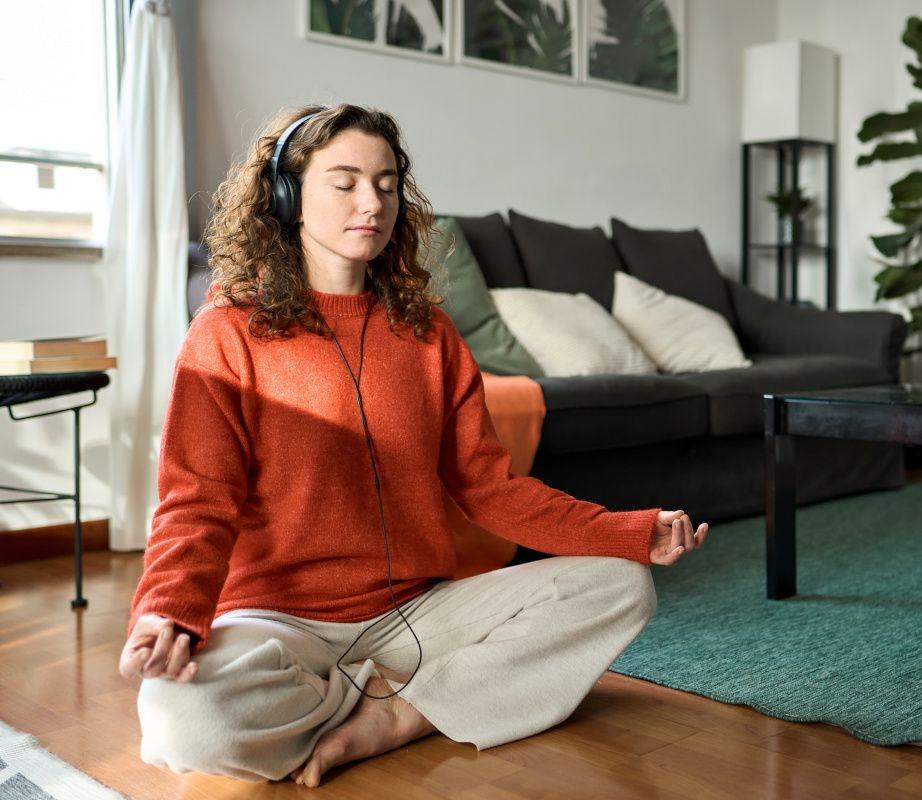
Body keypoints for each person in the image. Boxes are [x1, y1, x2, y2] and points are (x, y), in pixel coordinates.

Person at [117, 103, 709, 788]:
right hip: (277, 620)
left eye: (387, 184)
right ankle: (423, 693)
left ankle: (401, 714)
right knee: (181, 720)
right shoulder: (226, 333)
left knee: (621, 587)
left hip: (418, 613)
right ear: (287, 196)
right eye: (345, 183)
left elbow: (491, 490)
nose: (372, 202)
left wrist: (624, 532)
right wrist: (168, 609)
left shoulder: (430, 334)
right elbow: (197, 499)